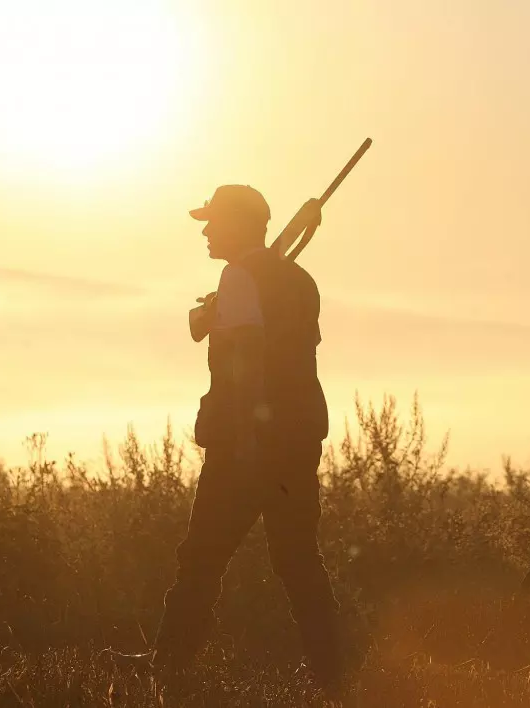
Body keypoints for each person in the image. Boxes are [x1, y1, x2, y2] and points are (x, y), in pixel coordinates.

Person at [115, 184, 344, 696]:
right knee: (299, 562)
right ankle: (337, 677)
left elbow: (247, 352)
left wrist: (241, 439)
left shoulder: (239, 277)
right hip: (297, 440)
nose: (206, 230)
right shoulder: (298, 279)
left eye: (214, 221)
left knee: (201, 559)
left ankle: (168, 667)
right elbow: (285, 340)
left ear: (239, 225)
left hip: (247, 447)